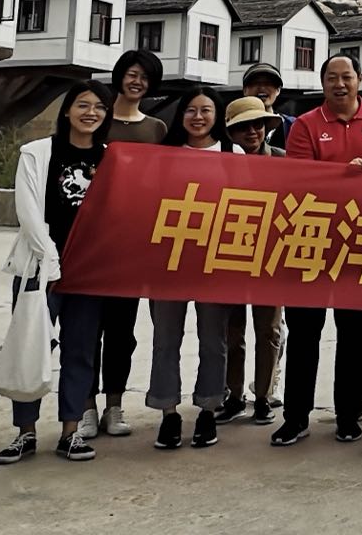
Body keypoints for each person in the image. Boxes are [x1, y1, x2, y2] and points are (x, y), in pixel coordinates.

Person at [272, 55, 362, 447]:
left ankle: (348, 414)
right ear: (323, 82)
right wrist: (346, 177)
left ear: (360, 79)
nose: (339, 84)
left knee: (356, 334)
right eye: (332, 78)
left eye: (347, 77)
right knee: (304, 334)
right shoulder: (305, 124)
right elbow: (299, 181)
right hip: (312, 240)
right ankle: (296, 417)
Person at [0, 80, 113, 465]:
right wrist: (51, 258)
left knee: (80, 350)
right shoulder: (37, 152)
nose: (91, 112)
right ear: (67, 110)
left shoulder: (112, 159)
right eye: (83, 104)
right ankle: (25, 433)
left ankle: (70, 432)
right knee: (31, 346)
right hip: (38, 267)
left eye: (99, 107)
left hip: (88, 272)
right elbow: (28, 211)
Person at [149, 87, 238, 450]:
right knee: (165, 340)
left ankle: (208, 410)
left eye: (205, 110)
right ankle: (168, 413)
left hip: (214, 263)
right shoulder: (164, 155)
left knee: (213, 342)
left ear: (217, 116)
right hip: (168, 262)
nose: (198, 117)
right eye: (190, 110)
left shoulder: (232, 155)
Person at [88, 50, 165, 439]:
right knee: (86, 329)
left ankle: (114, 405)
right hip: (89, 243)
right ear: (119, 76)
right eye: (132, 74)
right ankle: (85, 406)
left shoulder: (156, 129)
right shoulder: (94, 121)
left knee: (122, 331)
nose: (137, 82)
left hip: (130, 244)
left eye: (145, 77)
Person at [218, 98, 286, 427]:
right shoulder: (220, 163)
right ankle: (233, 396)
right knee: (232, 330)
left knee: (269, 330)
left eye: (258, 124)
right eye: (243, 127)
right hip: (230, 255)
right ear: (231, 132)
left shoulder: (285, 161)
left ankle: (263, 396)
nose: (252, 132)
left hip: (271, 257)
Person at [242, 61, 293, 150]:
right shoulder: (232, 126)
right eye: (255, 83)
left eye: (269, 83)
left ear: (278, 90)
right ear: (245, 90)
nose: (262, 88)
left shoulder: (292, 125)